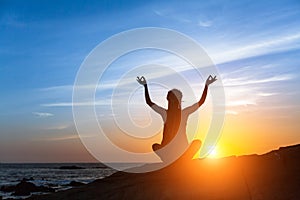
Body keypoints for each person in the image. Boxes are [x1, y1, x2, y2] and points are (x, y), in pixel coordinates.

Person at [136, 75, 217, 161]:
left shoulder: (184, 113)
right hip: (168, 151)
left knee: (197, 143)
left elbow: (200, 102)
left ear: (179, 101)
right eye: (171, 100)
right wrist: (145, 86)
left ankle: (179, 159)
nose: (172, 102)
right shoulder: (165, 113)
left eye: (175, 100)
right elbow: (149, 102)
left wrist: (206, 85)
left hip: (181, 150)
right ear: (168, 100)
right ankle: (172, 159)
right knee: (155, 146)